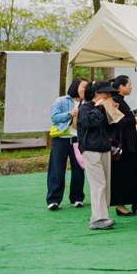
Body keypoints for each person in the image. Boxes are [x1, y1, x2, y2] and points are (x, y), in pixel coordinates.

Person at [77, 80, 122, 231]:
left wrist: (113, 111)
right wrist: (97, 108)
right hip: (90, 149)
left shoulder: (104, 108)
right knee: (98, 184)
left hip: (104, 149)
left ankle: (103, 215)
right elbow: (91, 121)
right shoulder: (85, 107)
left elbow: (118, 125)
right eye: (106, 93)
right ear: (97, 94)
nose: (109, 95)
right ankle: (98, 219)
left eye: (110, 93)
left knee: (105, 184)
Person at [47, 78, 87, 210]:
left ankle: (77, 198)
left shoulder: (87, 102)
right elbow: (54, 117)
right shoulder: (62, 100)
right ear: (76, 87)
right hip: (62, 139)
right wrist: (70, 114)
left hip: (78, 140)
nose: (85, 90)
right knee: (57, 169)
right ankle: (53, 200)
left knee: (78, 169)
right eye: (83, 87)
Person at [109, 75, 137, 217]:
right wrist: (134, 119)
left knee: (133, 172)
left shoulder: (121, 100)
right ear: (121, 87)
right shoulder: (114, 100)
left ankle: (136, 201)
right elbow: (116, 120)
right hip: (122, 144)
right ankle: (120, 204)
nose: (131, 87)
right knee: (122, 174)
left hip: (129, 144)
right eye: (129, 84)